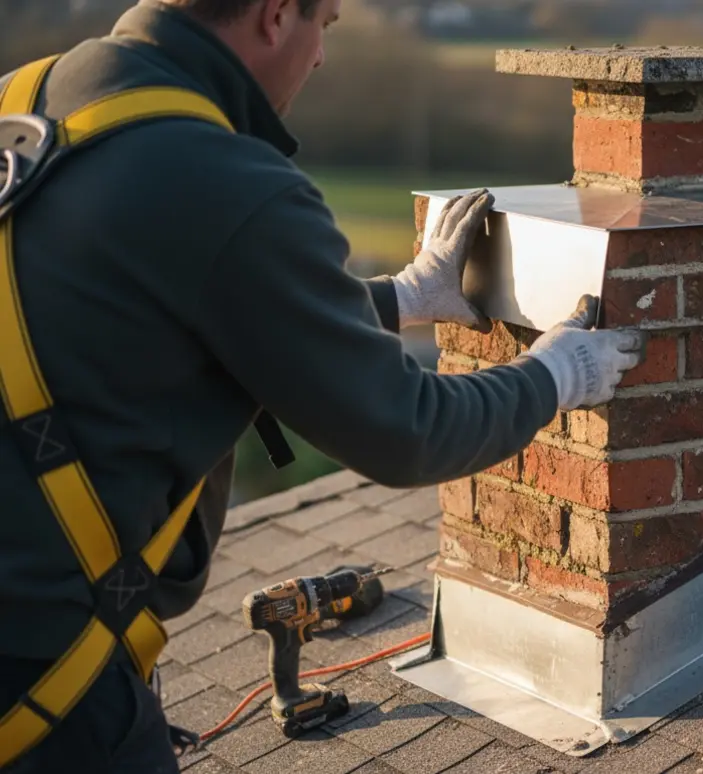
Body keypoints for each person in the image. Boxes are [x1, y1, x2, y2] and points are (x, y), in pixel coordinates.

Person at [0, 0, 643, 770]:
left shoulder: (26, 100)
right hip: (43, 681)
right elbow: (407, 430)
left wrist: (402, 297)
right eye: (327, 25)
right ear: (276, 15)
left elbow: (176, 305)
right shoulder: (225, 181)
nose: (321, 57)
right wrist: (555, 375)